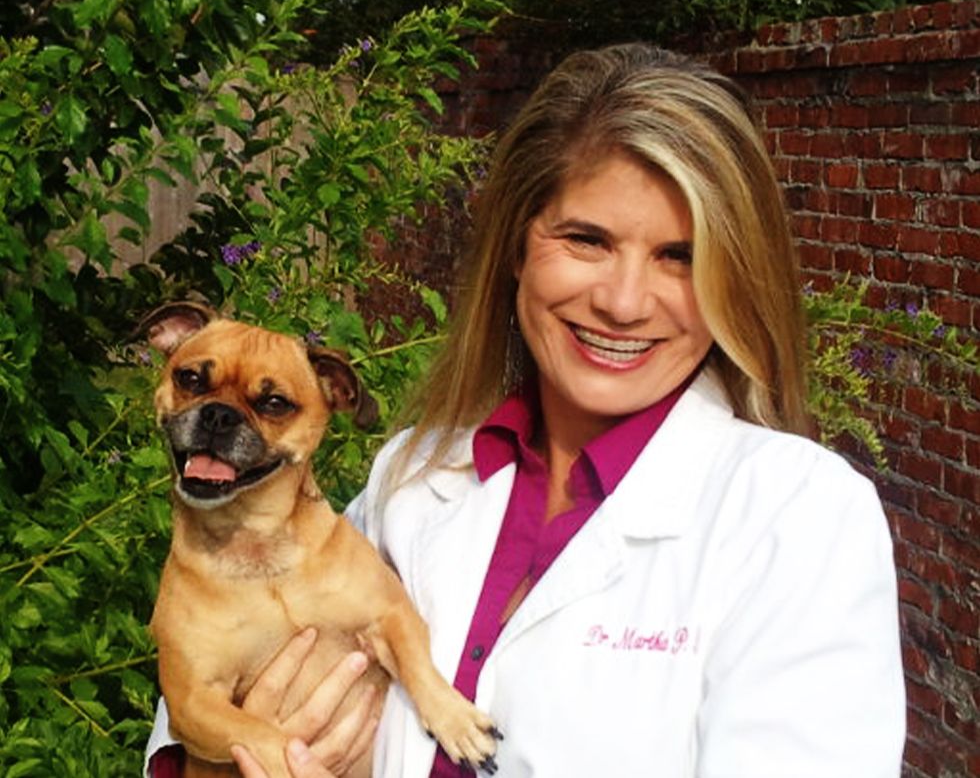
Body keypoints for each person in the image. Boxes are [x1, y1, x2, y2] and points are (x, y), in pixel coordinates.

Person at [146, 42, 906, 777]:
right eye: (587, 240)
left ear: (731, 278)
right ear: (518, 248)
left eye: (679, 256)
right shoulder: (413, 474)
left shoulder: (801, 518)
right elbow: (210, 671)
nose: (623, 302)